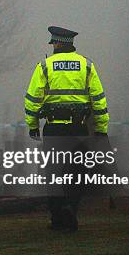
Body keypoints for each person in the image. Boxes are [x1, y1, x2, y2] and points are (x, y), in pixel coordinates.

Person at [24, 26, 109, 231]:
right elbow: (98, 99)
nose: (52, 46)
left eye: (53, 43)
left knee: (53, 174)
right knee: (76, 173)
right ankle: (70, 208)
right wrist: (101, 128)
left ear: (58, 43)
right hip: (79, 128)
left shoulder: (45, 65)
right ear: (71, 44)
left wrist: (33, 125)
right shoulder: (86, 65)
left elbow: (33, 99)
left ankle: (57, 218)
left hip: (54, 129)